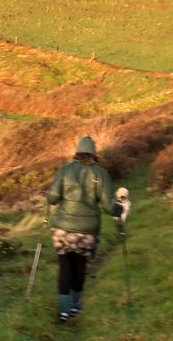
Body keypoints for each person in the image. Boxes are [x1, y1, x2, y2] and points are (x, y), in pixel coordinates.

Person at [45, 136, 124, 323]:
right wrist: (120, 209)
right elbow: (109, 206)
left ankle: (63, 311)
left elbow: (53, 198)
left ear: (77, 152)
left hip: (62, 229)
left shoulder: (64, 170)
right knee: (80, 267)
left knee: (65, 267)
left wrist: (49, 195)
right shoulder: (101, 174)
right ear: (94, 153)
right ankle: (75, 306)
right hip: (87, 231)